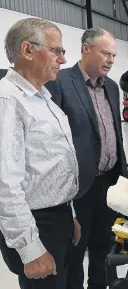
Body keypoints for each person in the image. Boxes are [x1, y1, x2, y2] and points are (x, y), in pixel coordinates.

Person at [45, 28, 128, 289]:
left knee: (104, 249)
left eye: (113, 55)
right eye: (105, 53)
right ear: (86, 49)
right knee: (75, 252)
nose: (111, 60)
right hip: (77, 188)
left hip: (109, 183)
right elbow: (53, 141)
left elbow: (115, 133)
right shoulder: (60, 82)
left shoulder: (112, 88)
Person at [0, 18, 79, 289]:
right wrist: (29, 248)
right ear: (28, 50)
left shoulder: (42, 96)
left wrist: (69, 215)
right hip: (37, 224)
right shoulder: (8, 101)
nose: (63, 59)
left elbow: (49, 167)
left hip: (57, 218)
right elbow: (5, 184)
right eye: (56, 50)